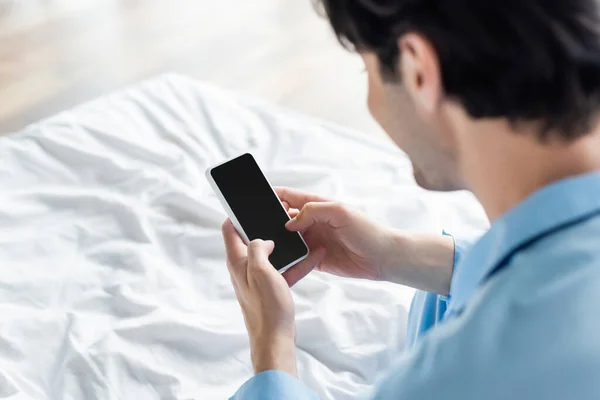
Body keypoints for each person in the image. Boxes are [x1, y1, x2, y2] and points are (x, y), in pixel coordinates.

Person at [224, 0, 600, 398]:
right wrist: (398, 255)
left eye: (365, 69)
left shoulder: (459, 373)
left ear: (419, 69)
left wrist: (271, 348)